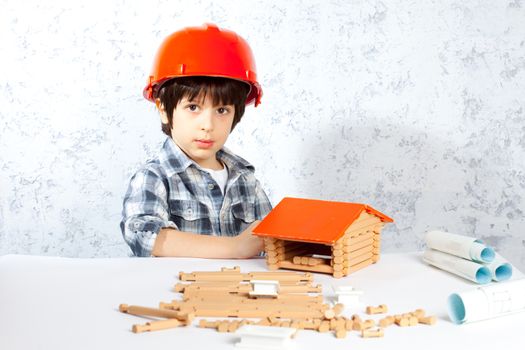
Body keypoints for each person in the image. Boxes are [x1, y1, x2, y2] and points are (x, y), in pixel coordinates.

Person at [120, 24, 272, 258]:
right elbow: (143, 235)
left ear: (236, 114)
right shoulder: (155, 177)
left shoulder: (245, 180)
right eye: (193, 107)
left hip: (238, 292)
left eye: (222, 110)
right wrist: (235, 248)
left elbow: (270, 242)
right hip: (176, 291)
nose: (208, 125)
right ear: (163, 110)